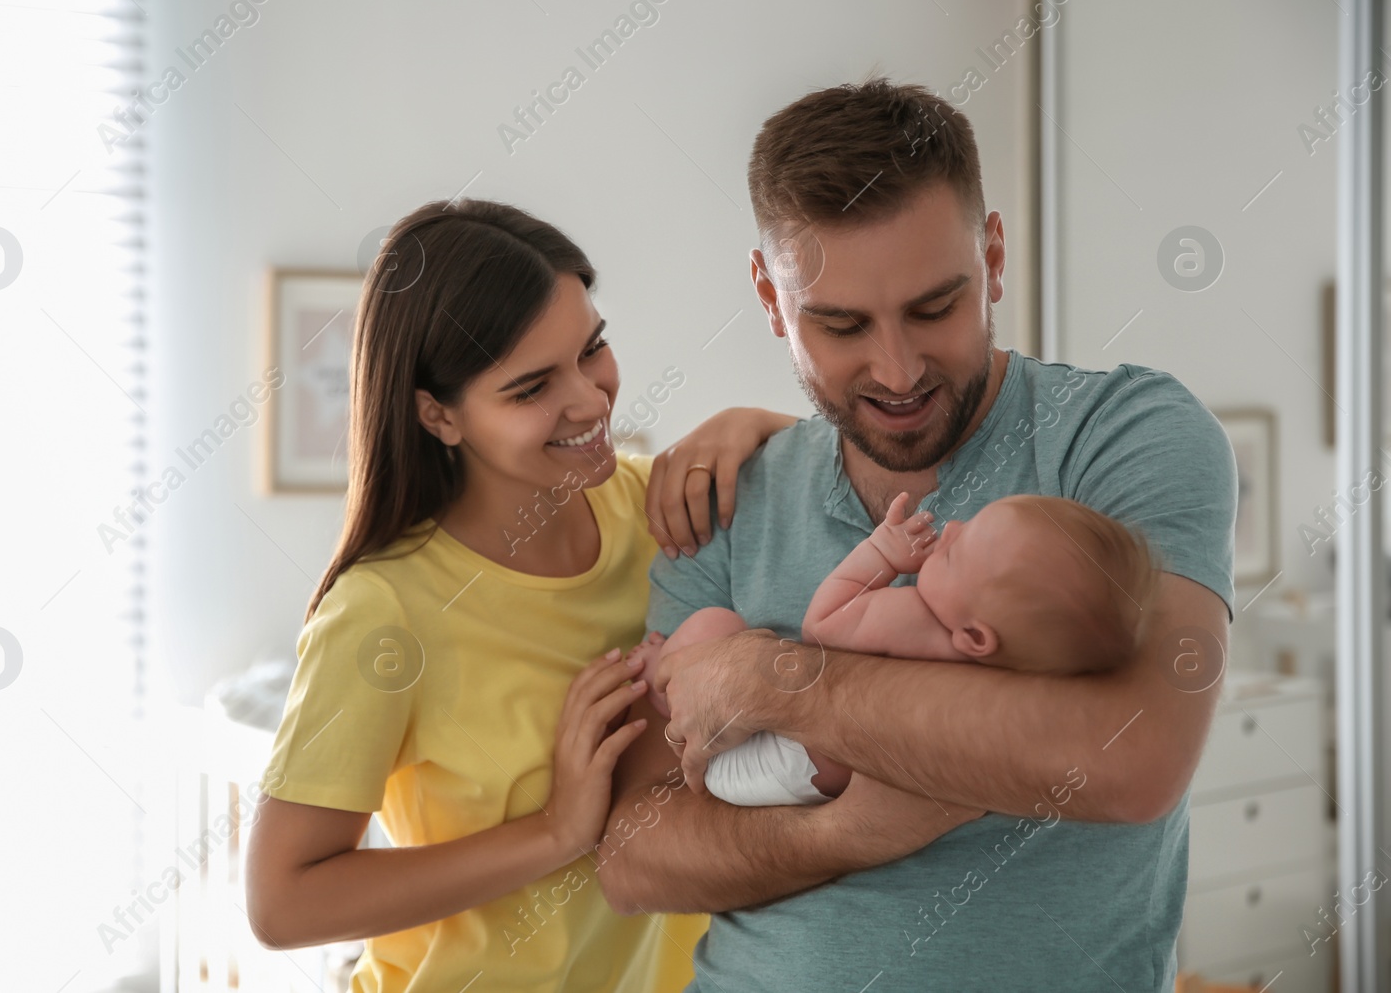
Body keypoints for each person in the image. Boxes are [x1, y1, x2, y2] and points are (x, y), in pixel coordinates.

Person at [597, 79, 1237, 992]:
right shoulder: (727, 492)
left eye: (936, 307)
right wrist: (850, 830)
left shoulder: (1124, 434)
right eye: (841, 324)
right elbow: (634, 858)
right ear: (772, 301)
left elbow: (1134, 754)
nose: (897, 371)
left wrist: (769, 676)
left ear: (995, 256)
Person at [243, 197, 796, 993]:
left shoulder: (661, 512)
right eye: (532, 386)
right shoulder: (383, 613)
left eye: (593, 348)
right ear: (439, 414)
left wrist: (759, 423)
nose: (591, 399)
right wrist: (554, 831)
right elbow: (280, 901)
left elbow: (852, 499)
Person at [631, 490, 1159, 805]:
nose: (949, 529)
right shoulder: (1016, 670)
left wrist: (881, 555)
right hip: (799, 774)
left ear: (974, 638)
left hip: (758, 762)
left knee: (715, 623)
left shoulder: (917, 620)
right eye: (965, 527)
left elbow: (823, 626)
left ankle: (659, 675)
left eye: (954, 556)